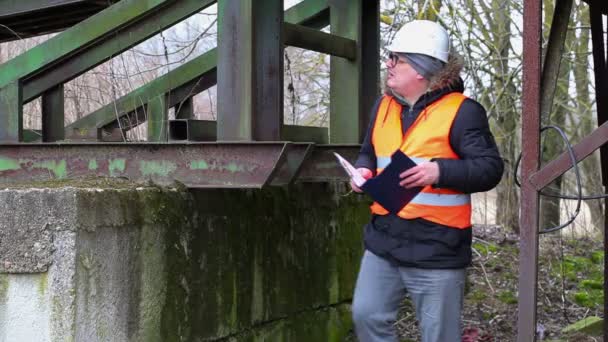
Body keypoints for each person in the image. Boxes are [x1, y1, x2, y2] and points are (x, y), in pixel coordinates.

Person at [350, 20, 504, 342]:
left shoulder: (463, 112)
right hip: (383, 242)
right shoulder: (383, 106)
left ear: (421, 70)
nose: (388, 64)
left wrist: (440, 171)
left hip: (437, 248)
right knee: (366, 317)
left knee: (439, 336)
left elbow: (490, 169)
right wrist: (362, 171)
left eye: (398, 59)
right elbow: (368, 152)